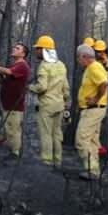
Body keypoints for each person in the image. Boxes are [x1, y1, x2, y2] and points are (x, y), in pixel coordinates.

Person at [28, 36, 69, 167]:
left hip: (46, 105)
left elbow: (42, 87)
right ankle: (58, 161)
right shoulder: (61, 65)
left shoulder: (44, 66)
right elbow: (66, 88)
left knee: (45, 133)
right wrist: (66, 100)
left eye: (38, 49)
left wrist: (30, 87)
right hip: (59, 105)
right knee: (57, 133)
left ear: (44, 50)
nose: (36, 51)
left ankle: (46, 161)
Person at [75, 44, 108, 180]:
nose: (78, 61)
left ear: (84, 57)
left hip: (93, 110)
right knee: (93, 141)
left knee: (81, 139)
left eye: (79, 58)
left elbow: (103, 83)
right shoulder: (92, 67)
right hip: (93, 110)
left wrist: (95, 99)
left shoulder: (94, 67)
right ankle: (94, 170)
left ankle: (92, 170)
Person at [0, 43, 31, 158]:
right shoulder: (15, 66)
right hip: (9, 104)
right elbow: (8, 78)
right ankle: (11, 149)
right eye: (14, 47)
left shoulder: (22, 66)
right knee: (9, 128)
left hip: (15, 106)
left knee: (14, 130)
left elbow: (9, 73)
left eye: (17, 48)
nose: (14, 49)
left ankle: (15, 153)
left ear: (23, 54)